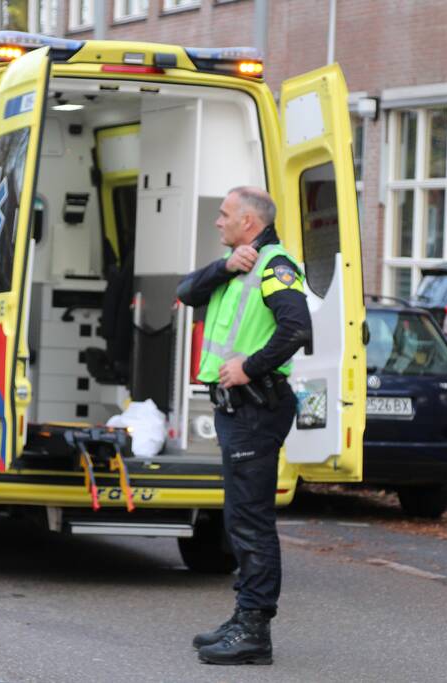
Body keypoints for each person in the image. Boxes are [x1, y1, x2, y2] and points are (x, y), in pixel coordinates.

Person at [177, 186, 311, 666]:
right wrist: (225, 265)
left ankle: (254, 630)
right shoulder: (241, 266)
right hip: (239, 412)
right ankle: (243, 616)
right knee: (239, 518)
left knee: (251, 522)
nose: (218, 221)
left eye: (225, 214)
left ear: (249, 222)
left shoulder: (276, 266)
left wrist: (250, 367)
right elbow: (185, 291)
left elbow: (296, 328)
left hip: (256, 407)